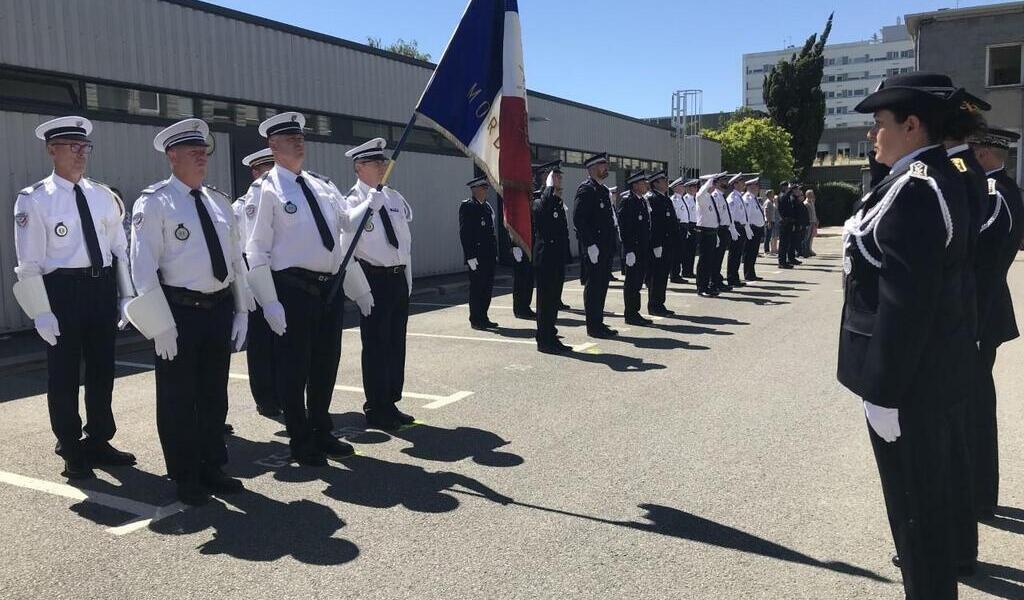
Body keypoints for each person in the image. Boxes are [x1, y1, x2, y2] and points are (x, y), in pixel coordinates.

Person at [838, 72, 971, 600]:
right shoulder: (929, 176)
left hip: (908, 387)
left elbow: (905, 302)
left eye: (880, 124)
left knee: (918, 519)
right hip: (925, 377)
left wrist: (884, 392)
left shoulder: (916, 188)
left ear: (912, 125)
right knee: (923, 516)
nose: (873, 136)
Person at [129, 118, 251, 504]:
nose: (202, 157)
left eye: (204, 151)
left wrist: (243, 309)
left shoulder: (218, 201)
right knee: (179, 397)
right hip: (179, 312)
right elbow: (142, 267)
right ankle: (184, 474)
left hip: (217, 308)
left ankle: (212, 465)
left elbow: (236, 259)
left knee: (214, 394)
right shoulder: (155, 202)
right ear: (172, 156)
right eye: (193, 151)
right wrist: (159, 325)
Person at [12, 116, 136, 480]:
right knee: (63, 374)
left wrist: (126, 295)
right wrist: (40, 312)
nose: (81, 153)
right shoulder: (34, 200)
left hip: (100, 288)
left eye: (85, 147)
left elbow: (119, 249)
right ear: (52, 150)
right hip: (62, 292)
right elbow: (29, 263)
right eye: (72, 147)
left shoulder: (103, 196)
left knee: (103, 370)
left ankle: (98, 439)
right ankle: (70, 446)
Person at [245, 112, 372, 461]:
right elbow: (255, 250)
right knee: (294, 367)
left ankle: (321, 429)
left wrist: (368, 203)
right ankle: (300, 439)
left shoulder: (322, 184)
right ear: (273, 145)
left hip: (328, 288)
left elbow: (345, 224)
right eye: (289, 137)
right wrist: (269, 302)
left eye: (300, 136)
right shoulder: (265, 190)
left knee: (325, 363)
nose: (299, 141)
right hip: (292, 288)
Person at [969, 125, 1024, 520]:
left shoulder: (995, 195)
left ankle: (979, 496)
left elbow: (978, 260)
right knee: (975, 406)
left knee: (974, 410)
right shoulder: (1004, 191)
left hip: (978, 316)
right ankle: (980, 494)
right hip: (983, 314)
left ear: (985, 154)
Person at [342, 137, 416, 431]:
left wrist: (407, 277)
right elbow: (346, 251)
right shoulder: (352, 202)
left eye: (383, 161)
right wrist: (360, 291)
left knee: (396, 344)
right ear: (360, 168)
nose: (383, 166)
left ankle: (391, 401)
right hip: (374, 280)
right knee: (375, 345)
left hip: (397, 277)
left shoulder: (394, 198)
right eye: (376, 162)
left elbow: (405, 243)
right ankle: (376, 406)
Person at [232, 148, 280, 418]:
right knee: (262, 344)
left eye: (273, 167)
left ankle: (285, 391)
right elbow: (238, 251)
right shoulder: (241, 206)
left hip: (282, 280)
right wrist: (246, 288)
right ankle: (265, 396)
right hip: (257, 282)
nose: (271, 173)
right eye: (265, 168)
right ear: (254, 172)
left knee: (284, 342)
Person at [573, 152, 618, 338]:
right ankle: (593, 326)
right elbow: (579, 220)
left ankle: (598, 322)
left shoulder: (603, 190)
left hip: (605, 247)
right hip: (594, 249)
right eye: (602, 165)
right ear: (592, 169)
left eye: (606, 164)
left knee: (602, 286)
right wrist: (589, 244)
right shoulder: (586, 190)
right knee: (593, 287)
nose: (606, 167)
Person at [532, 161, 572, 354]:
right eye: (555, 176)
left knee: (554, 300)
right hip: (545, 259)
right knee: (545, 301)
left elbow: (563, 232)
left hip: (556, 259)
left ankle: (551, 334)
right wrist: (548, 188)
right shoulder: (540, 200)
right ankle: (543, 340)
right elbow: (542, 218)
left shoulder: (556, 201)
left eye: (559, 176)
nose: (559, 179)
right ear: (545, 179)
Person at [459, 176, 498, 331]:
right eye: (483, 188)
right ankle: (475, 319)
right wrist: (469, 255)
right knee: (477, 288)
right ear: (475, 190)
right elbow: (465, 232)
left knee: (487, 287)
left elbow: (491, 231)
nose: (485, 191)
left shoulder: (487, 207)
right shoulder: (468, 207)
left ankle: (484, 316)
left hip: (488, 254)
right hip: (476, 255)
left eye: (486, 188)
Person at [618, 171, 653, 325]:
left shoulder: (642, 201)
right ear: (635, 185)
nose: (646, 185)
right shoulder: (628, 201)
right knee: (632, 283)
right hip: (633, 249)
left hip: (643, 249)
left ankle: (635, 312)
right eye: (643, 183)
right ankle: (630, 314)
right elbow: (625, 228)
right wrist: (629, 250)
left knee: (638, 282)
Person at [644, 170, 677, 315]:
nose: (666, 182)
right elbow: (654, 225)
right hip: (657, 245)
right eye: (663, 180)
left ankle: (660, 303)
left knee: (663, 275)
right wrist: (656, 244)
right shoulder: (652, 198)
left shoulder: (665, 198)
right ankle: (654, 305)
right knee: (655, 276)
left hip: (667, 244)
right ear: (655, 183)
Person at [694, 173, 725, 297]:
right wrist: (708, 182)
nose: (715, 186)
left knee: (710, 261)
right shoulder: (702, 196)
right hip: (704, 232)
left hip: (712, 231)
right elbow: (700, 194)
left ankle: (707, 285)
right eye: (714, 183)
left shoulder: (710, 197)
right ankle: (701, 287)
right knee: (704, 261)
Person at [712, 174, 740, 290]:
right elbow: (715, 215)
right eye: (723, 180)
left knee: (719, 258)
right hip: (719, 229)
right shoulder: (715, 196)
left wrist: (731, 228)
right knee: (716, 258)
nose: (726, 182)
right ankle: (714, 281)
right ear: (717, 182)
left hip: (724, 229)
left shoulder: (722, 196)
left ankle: (717, 280)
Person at [726, 174, 753, 287]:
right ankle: (732, 278)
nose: (743, 185)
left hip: (740, 227)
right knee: (734, 254)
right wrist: (732, 229)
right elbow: (731, 215)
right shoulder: (732, 197)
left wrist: (746, 227)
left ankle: (735, 277)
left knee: (737, 255)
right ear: (735, 184)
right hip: (735, 227)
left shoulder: (739, 197)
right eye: (741, 182)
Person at [742, 176, 765, 281]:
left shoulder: (754, 198)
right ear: (750, 186)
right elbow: (747, 215)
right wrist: (748, 229)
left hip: (757, 229)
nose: (757, 187)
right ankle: (748, 273)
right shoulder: (747, 199)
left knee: (754, 252)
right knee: (749, 252)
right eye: (756, 185)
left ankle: (752, 272)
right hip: (751, 229)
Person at [776, 182, 797, 268]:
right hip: (784, 222)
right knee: (783, 244)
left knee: (786, 243)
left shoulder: (787, 196)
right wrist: (790, 190)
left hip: (788, 222)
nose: (788, 188)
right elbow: (784, 199)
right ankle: (782, 262)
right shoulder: (782, 195)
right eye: (786, 187)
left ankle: (784, 261)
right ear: (782, 187)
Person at [792, 185, 810, 259]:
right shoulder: (797, 204)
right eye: (801, 195)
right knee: (798, 239)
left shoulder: (802, 204)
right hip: (799, 224)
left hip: (804, 224)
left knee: (802, 239)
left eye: (802, 195)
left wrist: (807, 223)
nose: (802, 196)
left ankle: (802, 252)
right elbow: (798, 215)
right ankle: (799, 252)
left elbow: (806, 215)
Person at [803, 189, 818, 257]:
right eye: (811, 194)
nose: (813, 195)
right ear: (807, 195)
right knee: (806, 237)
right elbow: (806, 215)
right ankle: (805, 251)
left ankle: (809, 250)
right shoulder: (805, 203)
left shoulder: (812, 202)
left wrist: (816, 220)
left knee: (811, 237)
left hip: (813, 222)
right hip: (809, 222)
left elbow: (813, 212)